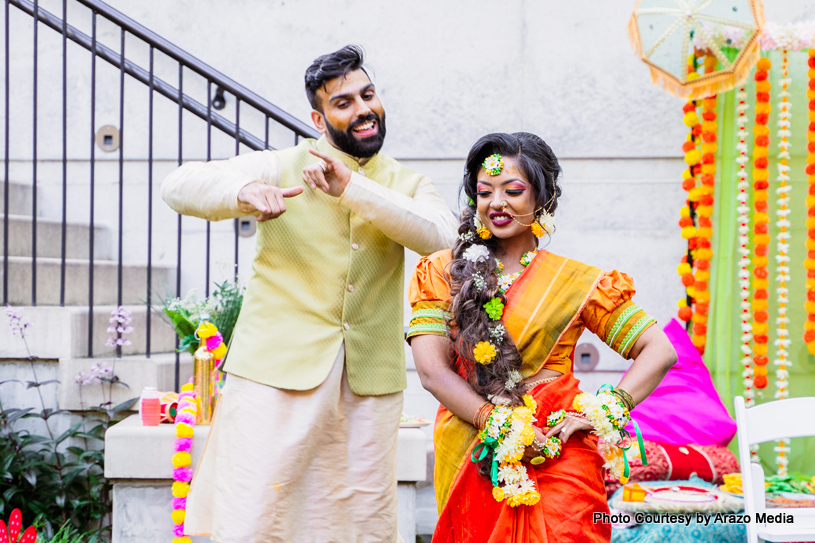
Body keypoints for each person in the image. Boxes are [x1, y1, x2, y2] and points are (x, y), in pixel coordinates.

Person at [161, 45, 458, 543]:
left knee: (361, 522)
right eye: (344, 102)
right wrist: (241, 193)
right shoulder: (279, 165)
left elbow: (442, 236)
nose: (363, 108)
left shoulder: (407, 182)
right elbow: (179, 184)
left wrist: (353, 189)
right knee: (256, 514)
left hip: (367, 383)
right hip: (272, 373)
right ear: (320, 119)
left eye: (368, 95)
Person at [407, 132, 677, 542]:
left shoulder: (578, 283)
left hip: (559, 455)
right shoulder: (442, 272)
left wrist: (602, 412)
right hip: (473, 450)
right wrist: (498, 424)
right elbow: (431, 372)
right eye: (484, 192)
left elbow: (659, 350)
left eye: (512, 190)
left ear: (543, 199)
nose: (496, 203)